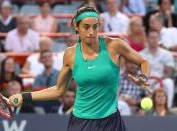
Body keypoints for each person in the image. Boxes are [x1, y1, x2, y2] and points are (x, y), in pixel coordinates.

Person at [9, 6, 150, 131]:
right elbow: (59, 90)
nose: (91, 32)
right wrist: (23, 96)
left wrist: (143, 77)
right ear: (76, 27)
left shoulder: (115, 45)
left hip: (111, 120)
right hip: (81, 122)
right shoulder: (70, 54)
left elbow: (143, 62)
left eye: (95, 26)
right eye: (86, 26)